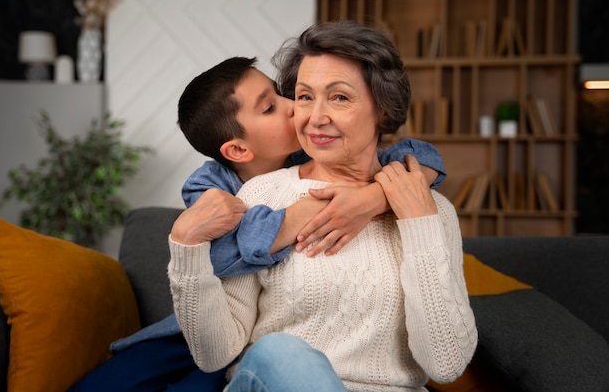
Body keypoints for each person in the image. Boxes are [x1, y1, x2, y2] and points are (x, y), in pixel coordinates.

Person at [68, 55, 447, 392]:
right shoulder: (209, 187)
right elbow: (244, 244)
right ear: (238, 150)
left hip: (257, 341)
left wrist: (374, 198)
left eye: (284, 94)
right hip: (199, 330)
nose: (293, 107)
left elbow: (420, 154)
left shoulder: (317, 151)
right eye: (270, 107)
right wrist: (319, 205)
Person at [168, 20, 477, 392]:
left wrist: (417, 221)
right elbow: (215, 356)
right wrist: (185, 249)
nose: (315, 117)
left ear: (383, 108)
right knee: (281, 353)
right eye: (304, 96)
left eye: (340, 97)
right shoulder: (259, 197)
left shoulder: (432, 210)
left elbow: (445, 365)